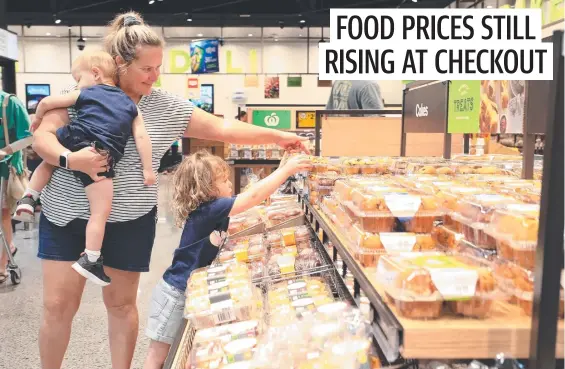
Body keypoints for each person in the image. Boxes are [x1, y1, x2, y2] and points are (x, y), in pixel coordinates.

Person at [32, 11, 308, 369]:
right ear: (121, 63)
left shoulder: (165, 106)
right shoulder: (85, 93)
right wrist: (71, 160)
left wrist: (279, 137)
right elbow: (42, 137)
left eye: (158, 67)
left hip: (130, 219)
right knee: (57, 306)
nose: (155, 75)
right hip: (67, 213)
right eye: (147, 68)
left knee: (121, 305)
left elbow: (223, 128)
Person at [142, 150, 311, 369]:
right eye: (223, 180)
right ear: (206, 188)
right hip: (175, 293)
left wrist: (281, 169)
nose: (230, 184)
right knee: (158, 355)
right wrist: (287, 170)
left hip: (189, 289)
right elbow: (251, 197)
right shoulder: (210, 210)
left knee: (171, 352)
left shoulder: (214, 210)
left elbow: (251, 197)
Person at [16, 51, 155, 287]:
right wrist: (148, 169)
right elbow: (142, 136)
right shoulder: (130, 105)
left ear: (96, 74)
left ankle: (29, 197)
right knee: (100, 212)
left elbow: (47, 102)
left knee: (50, 161)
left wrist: (37, 119)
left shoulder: (86, 93)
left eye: (78, 79)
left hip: (75, 137)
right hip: (101, 155)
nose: (76, 84)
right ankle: (90, 257)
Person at [0, 92, 31, 284]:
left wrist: (5, 151)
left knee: (3, 214)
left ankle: (3, 262)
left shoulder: (10, 103)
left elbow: (28, 137)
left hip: (6, 169)